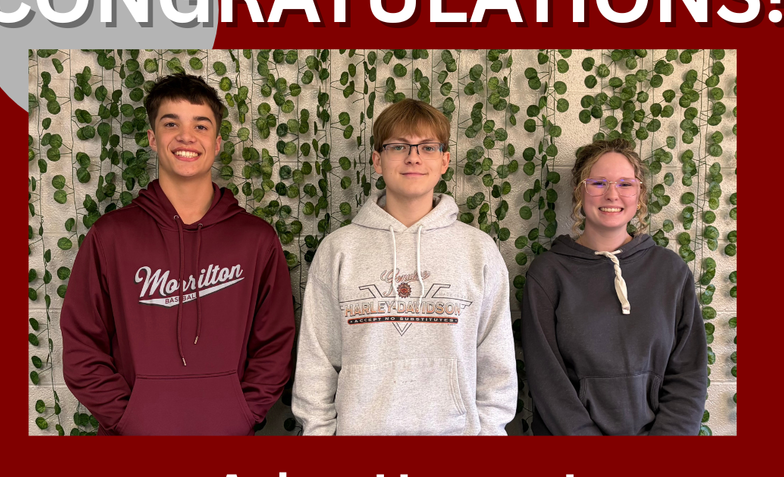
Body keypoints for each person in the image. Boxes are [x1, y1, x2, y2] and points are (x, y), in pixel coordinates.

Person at [61, 74, 295, 435]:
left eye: (200, 125)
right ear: (153, 138)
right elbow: (82, 344)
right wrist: (128, 418)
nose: (186, 136)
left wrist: (242, 413)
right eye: (171, 123)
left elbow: (275, 343)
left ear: (217, 143)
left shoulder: (255, 239)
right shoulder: (111, 236)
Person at [292, 98, 517, 435]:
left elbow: (495, 360)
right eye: (399, 146)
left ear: (444, 161)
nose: (413, 157)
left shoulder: (478, 250)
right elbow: (317, 359)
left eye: (427, 147)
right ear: (377, 160)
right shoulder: (339, 249)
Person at [520, 138, 707, 436]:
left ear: (640, 193)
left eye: (625, 184)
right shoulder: (549, 274)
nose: (611, 195)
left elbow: (689, 374)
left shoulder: (670, 271)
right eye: (598, 183)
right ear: (580, 190)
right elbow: (548, 382)